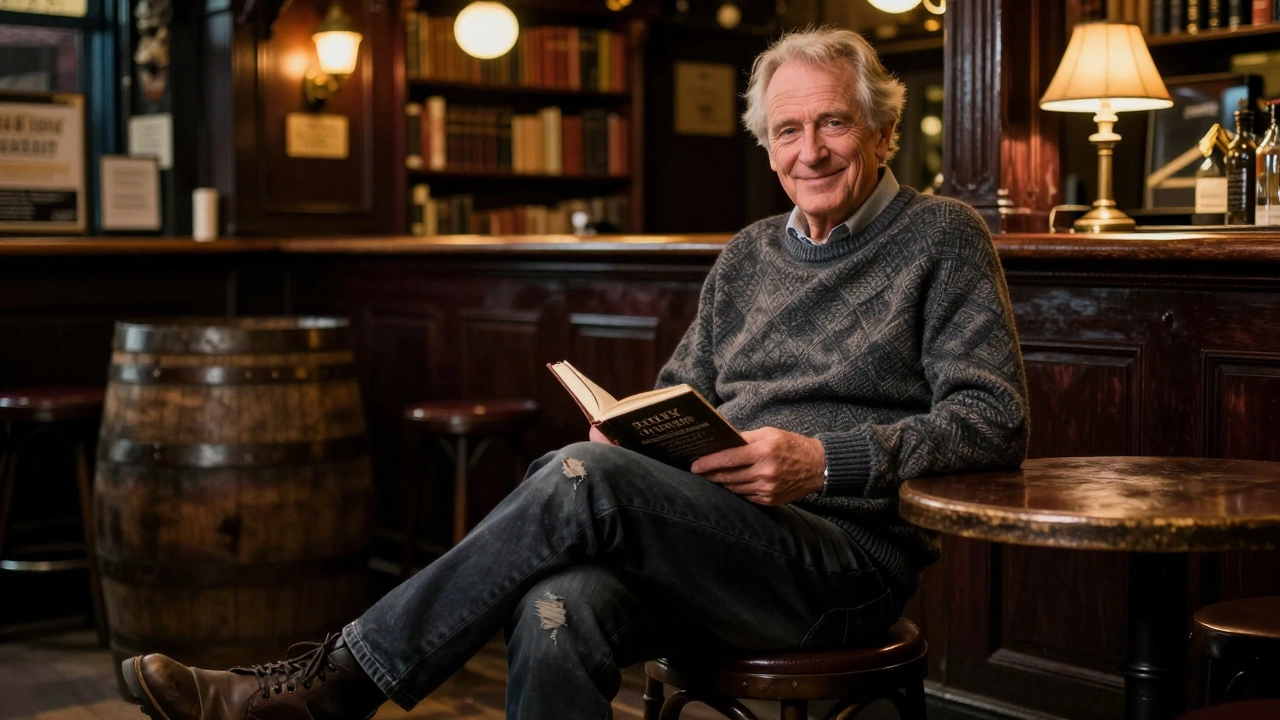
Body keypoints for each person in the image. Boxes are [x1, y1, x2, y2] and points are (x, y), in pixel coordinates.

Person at [119, 26, 1029, 720]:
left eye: (833, 122)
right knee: (561, 604)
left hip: (839, 567)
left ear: (881, 130)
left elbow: (993, 420)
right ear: (765, 147)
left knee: (578, 478)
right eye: (788, 130)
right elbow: (686, 390)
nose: (810, 150)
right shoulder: (749, 253)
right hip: (709, 542)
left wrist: (822, 460)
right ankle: (331, 684)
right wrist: (633, 425)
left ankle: (330, 689)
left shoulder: (942, 237)